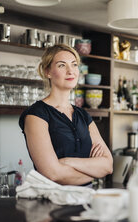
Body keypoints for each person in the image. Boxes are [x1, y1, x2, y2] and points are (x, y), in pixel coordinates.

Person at [19, 44, 113, 186]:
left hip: (86, 199)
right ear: (47, 72)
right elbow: (53, 174)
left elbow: (108, 166)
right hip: (52, 202)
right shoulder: (36, 115)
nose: (71, 71)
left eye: (74, 65)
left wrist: (66, 161)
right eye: (62, 65)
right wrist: (94, 172)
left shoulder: (83, 115)